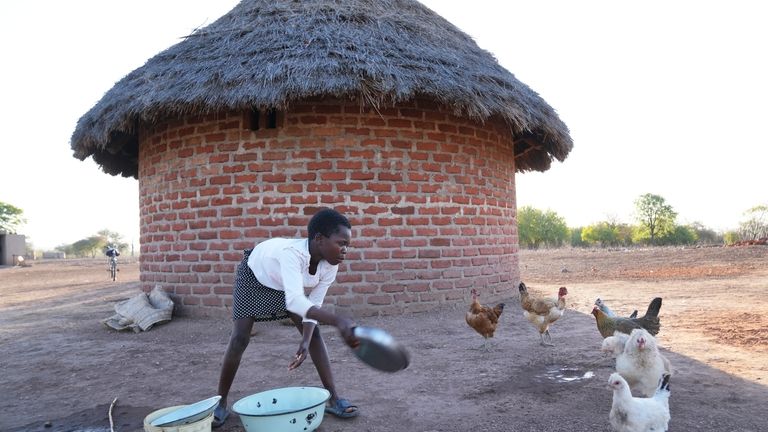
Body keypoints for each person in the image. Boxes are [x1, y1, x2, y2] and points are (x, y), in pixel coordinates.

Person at [213, 208, 360, 428]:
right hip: (255, 275)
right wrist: (339, 320)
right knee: (240, 339)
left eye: (348, 245)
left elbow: (314, 304)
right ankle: (220, 403)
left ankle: (334, 398)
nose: (345, 250)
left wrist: (305, 340)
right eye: (341, 243)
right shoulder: (292, 254)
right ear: (319, 239)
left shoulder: (330, 264)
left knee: (314, 334)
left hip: (286, 285)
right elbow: (297, 302)